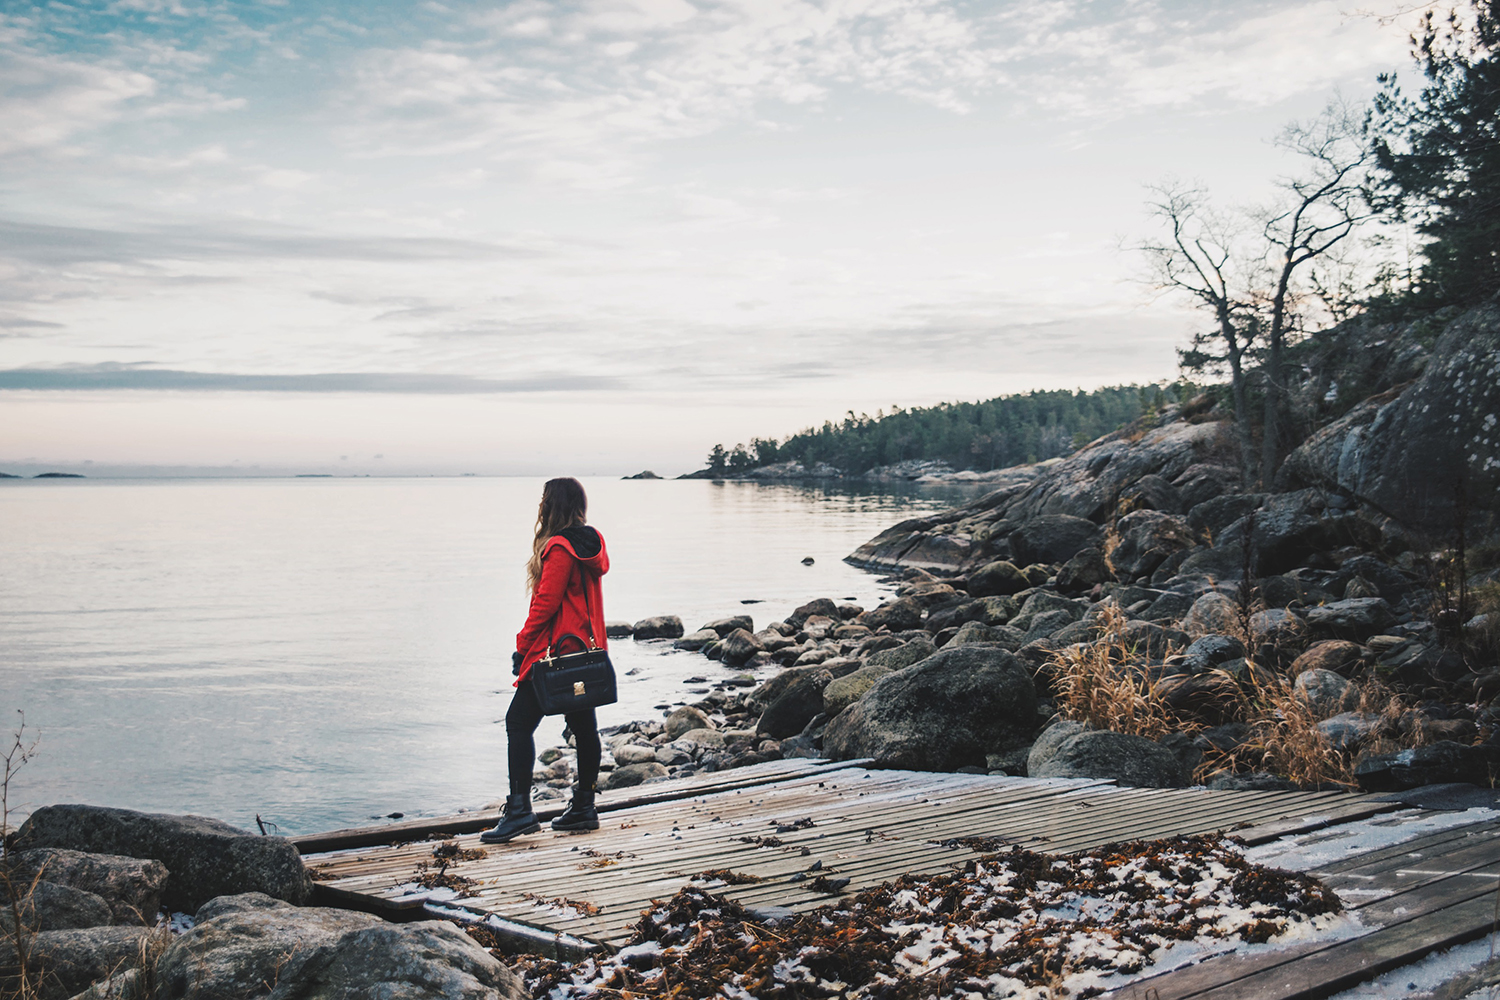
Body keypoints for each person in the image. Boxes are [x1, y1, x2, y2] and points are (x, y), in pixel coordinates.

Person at [481, 477, 609, 844]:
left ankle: (520, 811)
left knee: (517, 722)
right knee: (584, 726)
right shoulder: (592, 544)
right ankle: (584, 807)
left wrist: (522, 646)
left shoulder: (558, 547)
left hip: (555, 655)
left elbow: (545, 604)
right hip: (586, 651)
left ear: (550, 505)